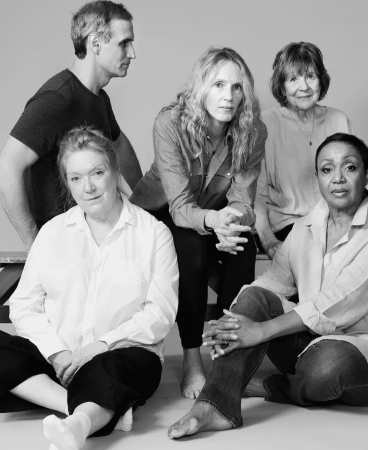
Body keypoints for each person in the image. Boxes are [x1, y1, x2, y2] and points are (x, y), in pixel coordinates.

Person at [168, 133, 368, 439]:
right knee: (255, 296)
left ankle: (273, 386)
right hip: (312, 340)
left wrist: (261, 331)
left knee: (327, 367)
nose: (337, 178)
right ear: (318, 178)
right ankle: (215, 405)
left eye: (349, 168)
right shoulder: (306, 227)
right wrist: (233, 321)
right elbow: (271, 283)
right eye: (327, 169)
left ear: (366, 173)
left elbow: (340, 300)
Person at [0, 126, 178, 450]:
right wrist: (58, 354)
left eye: (97, 173)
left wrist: (102, 344)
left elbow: (160, 313)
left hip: (120, 354)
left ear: (114, 171)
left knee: (120, 368)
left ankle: (78, 425)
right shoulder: (52, 233)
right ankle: (87, 409)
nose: (87, 187)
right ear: (67, 183)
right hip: (59, 358)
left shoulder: (154, 234)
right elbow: (24, 305)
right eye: (76, 178)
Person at [130, 47, 267, 400]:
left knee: (244, 247)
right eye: (219, 84)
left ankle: (227, 361)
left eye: (238, 87)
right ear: (201, 87)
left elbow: (243, 200)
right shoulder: (170, 124)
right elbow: (178, 208)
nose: (229, 95)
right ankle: (193, 360)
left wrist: (233, 223)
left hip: (216, 216)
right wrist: (214, 222)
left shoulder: (253, 131)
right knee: (190, 249)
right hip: (163, 215)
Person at [0, 1, 143, 251]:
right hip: (65, 245)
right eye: (124, 43)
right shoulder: (57, 99)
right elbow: (4, 171)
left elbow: (119, 145)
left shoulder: (98, 98)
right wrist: (35, 248)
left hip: (97, 236)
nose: (132, 53)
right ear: (95, 43)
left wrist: (143, 206)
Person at [255, 42, 354, 259]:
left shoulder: (339, 120)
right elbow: (256, 194)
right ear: (281, 87)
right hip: (288, 226)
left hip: (336, 226)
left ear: (321, 80)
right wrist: (268, 241)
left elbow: (354, 186)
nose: (304, 87)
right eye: (294, 79)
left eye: (310, 76)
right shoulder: (266, 124)